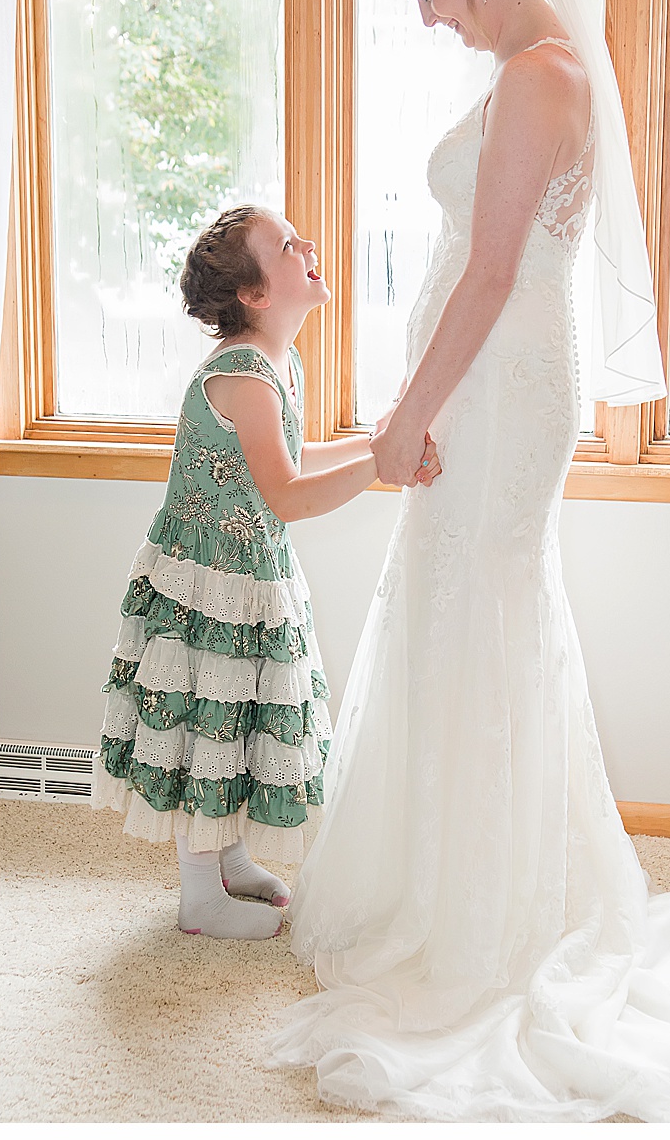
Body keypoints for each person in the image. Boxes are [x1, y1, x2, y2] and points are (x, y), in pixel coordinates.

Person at [266, 0, 670, 1122]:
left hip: (494, 396)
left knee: (484, 617)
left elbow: (492, 273)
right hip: (478, 385)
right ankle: (445, 882)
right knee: (457, 615)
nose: (427, 17)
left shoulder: (544, 76)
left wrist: (406, 420)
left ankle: (489, 919)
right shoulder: (522, 70)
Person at [90, 205, 428, 939]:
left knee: (238, 713)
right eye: (286, 245)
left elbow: (295, 465)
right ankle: (198, 896)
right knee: (206, 719)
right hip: (210, 581)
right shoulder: (242, 374)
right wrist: (384, 461)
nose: (308, 244)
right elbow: (290, 497)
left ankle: (229, 857)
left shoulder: (278, 363)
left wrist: (380, 445)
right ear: (257, 295)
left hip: (248, 570)